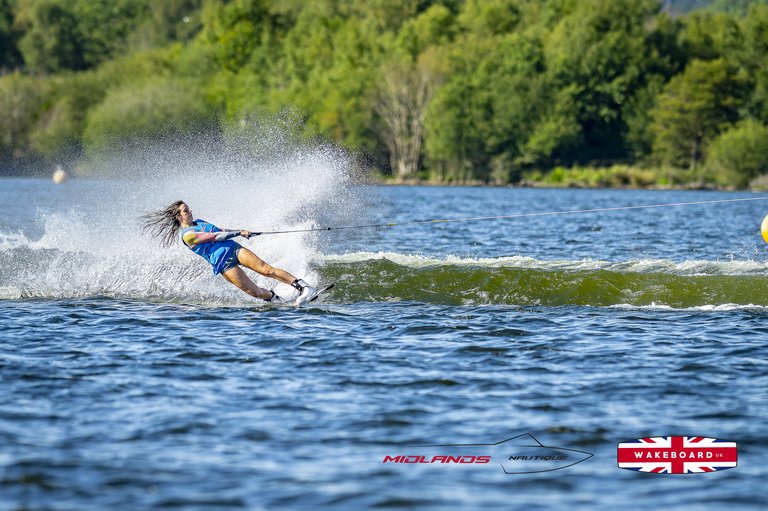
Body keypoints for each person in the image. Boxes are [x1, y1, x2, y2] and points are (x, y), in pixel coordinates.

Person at [141, 200, 317, 304]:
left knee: (266, 269)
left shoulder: (200, 222)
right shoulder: (187, 236)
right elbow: (214, 237)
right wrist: (239, 232)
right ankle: (277, 299)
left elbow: (220, 230)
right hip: (223, 265)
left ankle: (304, 287)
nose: (190, 212)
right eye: (186, 211)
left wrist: (242, 232)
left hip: (233, 249)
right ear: (179, 217)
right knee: (254, 292)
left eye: (189, 209)